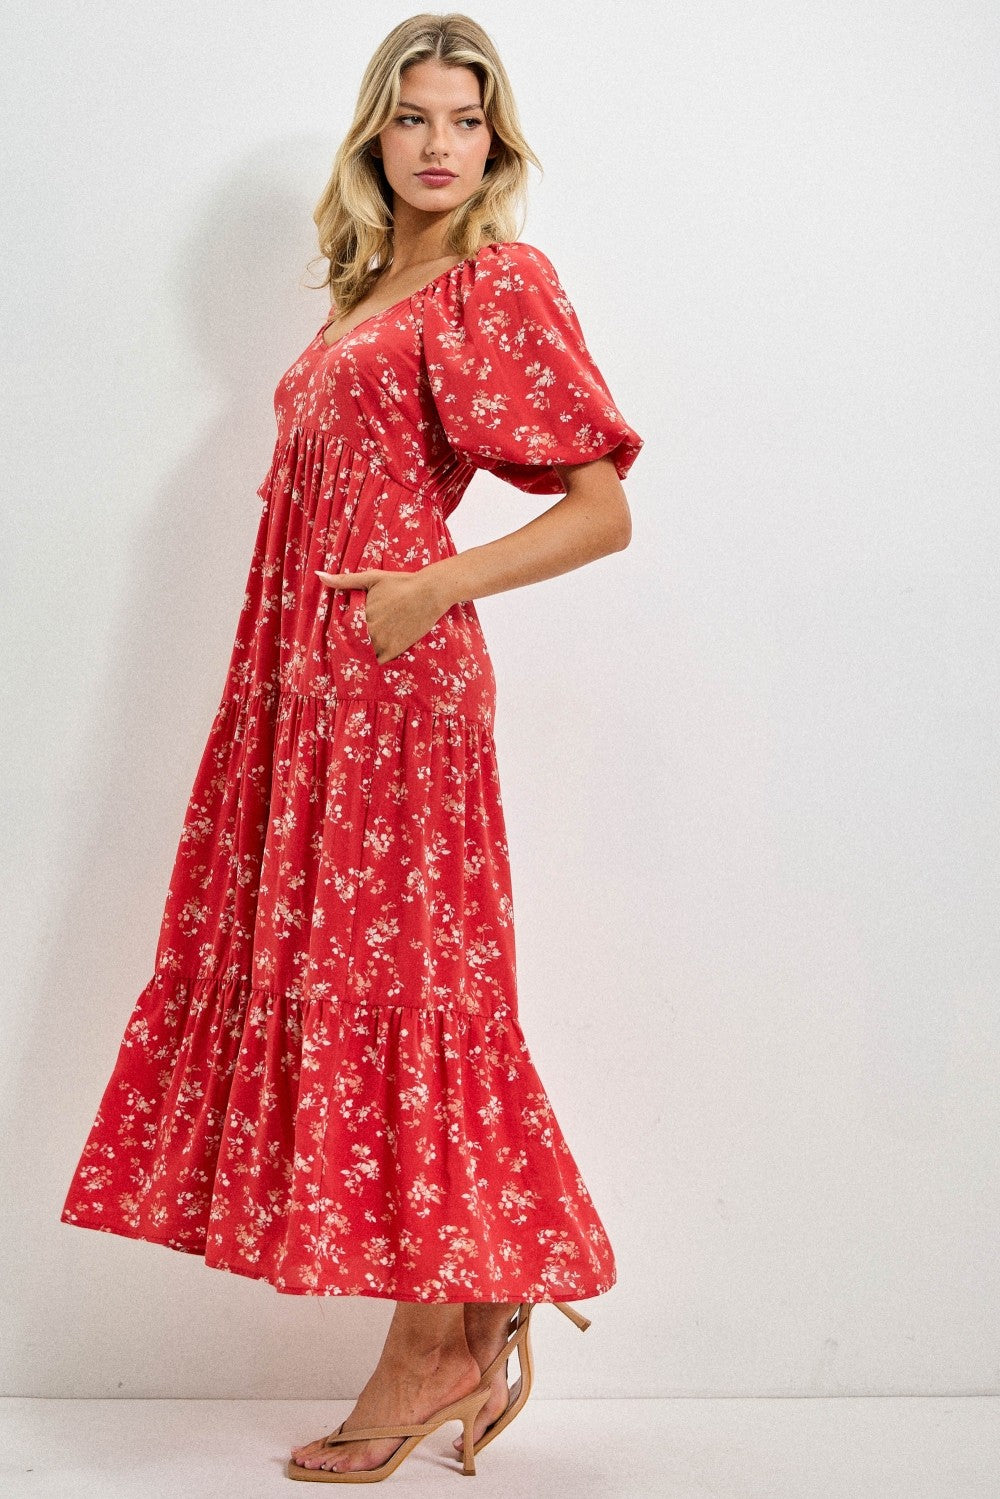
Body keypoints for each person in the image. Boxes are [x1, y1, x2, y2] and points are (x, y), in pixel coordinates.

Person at [59, 12, 644, 1484]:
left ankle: (434, 1338)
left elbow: (601, 506)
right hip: (302, 684)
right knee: (337, 969)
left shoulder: (494, 285)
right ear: (374, 139)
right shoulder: (366, 291)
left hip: (394, 677)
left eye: (466, 120)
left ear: (495, 146)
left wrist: (431, 590)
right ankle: (453, 1312)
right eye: (413, 118)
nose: (440, 143)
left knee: (410, 980)